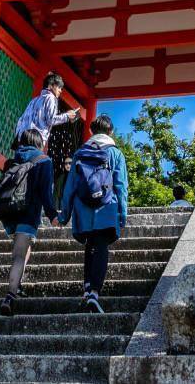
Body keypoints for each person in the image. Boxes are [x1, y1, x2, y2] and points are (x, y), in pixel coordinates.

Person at [56, 114, 129, 314]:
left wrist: (64, 216)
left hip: (83, 208)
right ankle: (95, 293)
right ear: (111, 132)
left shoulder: (80, 154)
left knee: (90, 245)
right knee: (101, 246)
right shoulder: (116, 154)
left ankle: (87, 287)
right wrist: (123, 215)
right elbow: (121, 186)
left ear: (91, 131)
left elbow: (70, 187)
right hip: (107, 207)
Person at [0, 128, 57, 317]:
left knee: (22, 248)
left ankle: (17, 285)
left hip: (10, 213)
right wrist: (52, 215)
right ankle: (10, 296)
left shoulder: (12, 160)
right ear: (39, 142)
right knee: (19, 255)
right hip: (29, 213)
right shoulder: (44, 161)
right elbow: (46, 192)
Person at [13, 72, 82, 148]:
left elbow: (21, 119)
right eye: (59, 87)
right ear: (50, 86)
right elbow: (51, 119)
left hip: (21, 136)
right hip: (35, 138)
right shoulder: (51, 97)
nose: (60, 91)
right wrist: (67, 116)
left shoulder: (34, 100)